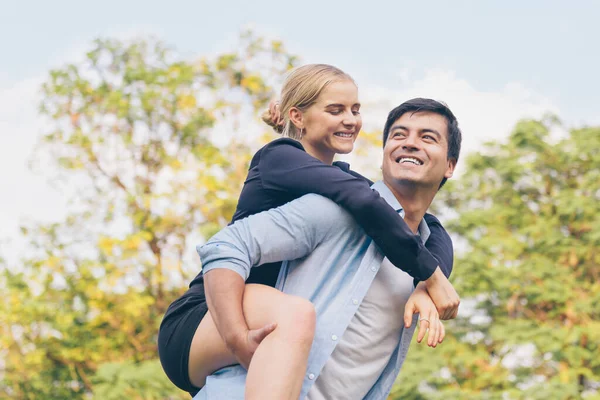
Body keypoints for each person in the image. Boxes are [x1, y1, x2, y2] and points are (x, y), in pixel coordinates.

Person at [157, 64, 459, 398]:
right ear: (298, 117)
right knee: (296, 315)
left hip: (260, 318)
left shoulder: (344, 184)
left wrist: (428, 284)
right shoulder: (280, 157)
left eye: (355, 110)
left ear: (450, 165)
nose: (350, 119)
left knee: (293, 319)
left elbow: (431, 227)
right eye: (335, 110)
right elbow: (365, 199)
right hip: (207, 311)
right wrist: (238, 338)